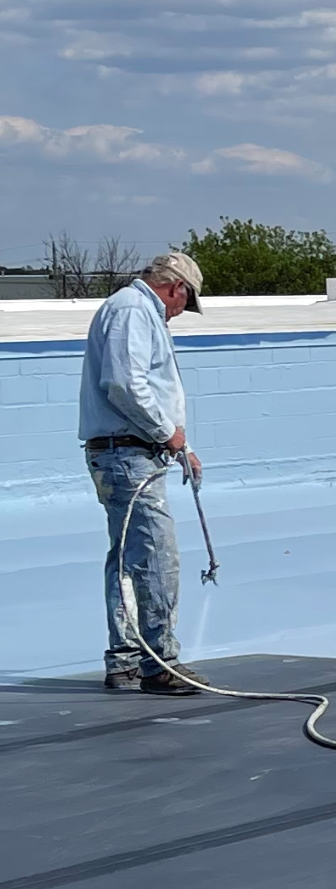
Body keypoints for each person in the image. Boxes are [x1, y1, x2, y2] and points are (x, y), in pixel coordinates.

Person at [78, 250, 206, 692]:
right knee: (155, 556)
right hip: (127, 454)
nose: (179, 314)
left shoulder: (130, 310)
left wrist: (179, 443)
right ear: (177, 288)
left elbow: (142, 386)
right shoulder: (133, 310)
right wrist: (167, 432)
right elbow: (125, 384)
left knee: (129, 559)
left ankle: (127, 660)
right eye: (183, 305)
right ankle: (160, 664)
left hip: (126, 452)